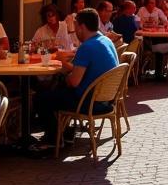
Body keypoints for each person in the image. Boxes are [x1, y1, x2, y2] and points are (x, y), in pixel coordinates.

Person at [34, 8, 119, 147]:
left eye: (76, 26)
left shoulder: (86, 47)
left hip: (89, 102)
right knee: (56, 91)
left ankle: (53, 139)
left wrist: (64, 71)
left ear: (82, 27)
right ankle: (65, 133)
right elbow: (87, 70)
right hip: (107, 100)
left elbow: (74, 82)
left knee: (41, 98)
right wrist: (66, 65)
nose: (75, 31)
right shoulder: (105, 40)